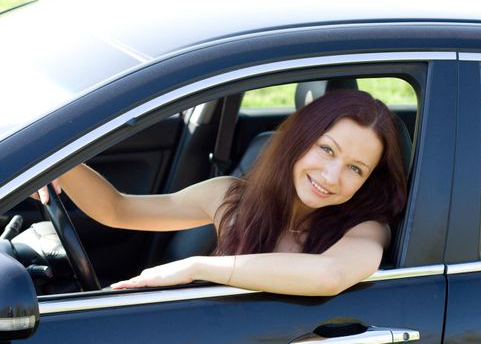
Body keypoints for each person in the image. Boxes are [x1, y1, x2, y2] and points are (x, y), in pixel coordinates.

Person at [35, 89, 407, 296]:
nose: (331, 175)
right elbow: (117, 209)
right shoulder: (232, 196)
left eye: (355, 169)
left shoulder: (366, 228)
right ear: (300, 138)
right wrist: (59, 164)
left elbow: (330, 274)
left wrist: (197, 267)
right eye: (327, 149)